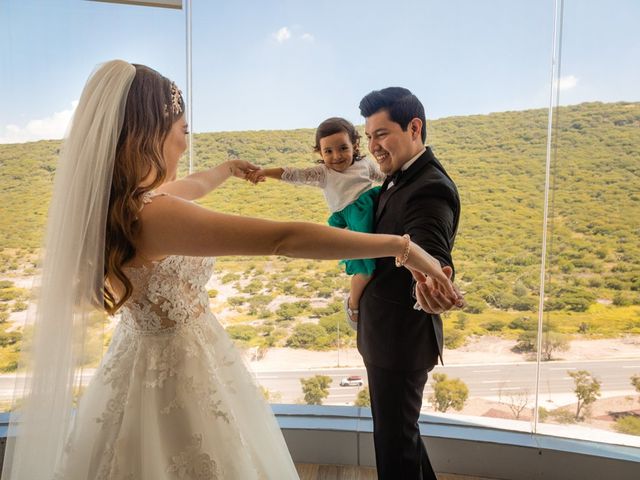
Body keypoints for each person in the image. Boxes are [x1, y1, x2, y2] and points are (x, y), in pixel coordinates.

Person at [2, 62, 461, 480]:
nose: (185, 140)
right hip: (181, 370)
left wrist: (226, 169)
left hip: (137, 356)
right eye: (182, 129)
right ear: (149, 133)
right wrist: (403, 249)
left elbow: (194, 185)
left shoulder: (118, 207)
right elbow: (285, 239)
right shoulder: (155, 216)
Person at [357, 87, 462, 480]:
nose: (373, 145)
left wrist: (433, 289)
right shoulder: (400, 176)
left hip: (400, 342)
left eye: (381, 134)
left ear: (414, 127)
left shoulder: (429, 188)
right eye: (368, 136)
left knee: (394, 448)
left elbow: (432, 253)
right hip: (387, 337)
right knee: (404, 438)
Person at [246, 117, 385, 329]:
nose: (336, 156)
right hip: (354, 217)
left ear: (355, 145)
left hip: (371, 205)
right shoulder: (324, 174)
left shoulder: (365, 164)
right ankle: (353, 303)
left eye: (342, 148)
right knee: (366, 268)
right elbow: (293, 174)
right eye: (328, 151)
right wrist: (265, 172)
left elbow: (385, 177)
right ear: (320, 153)